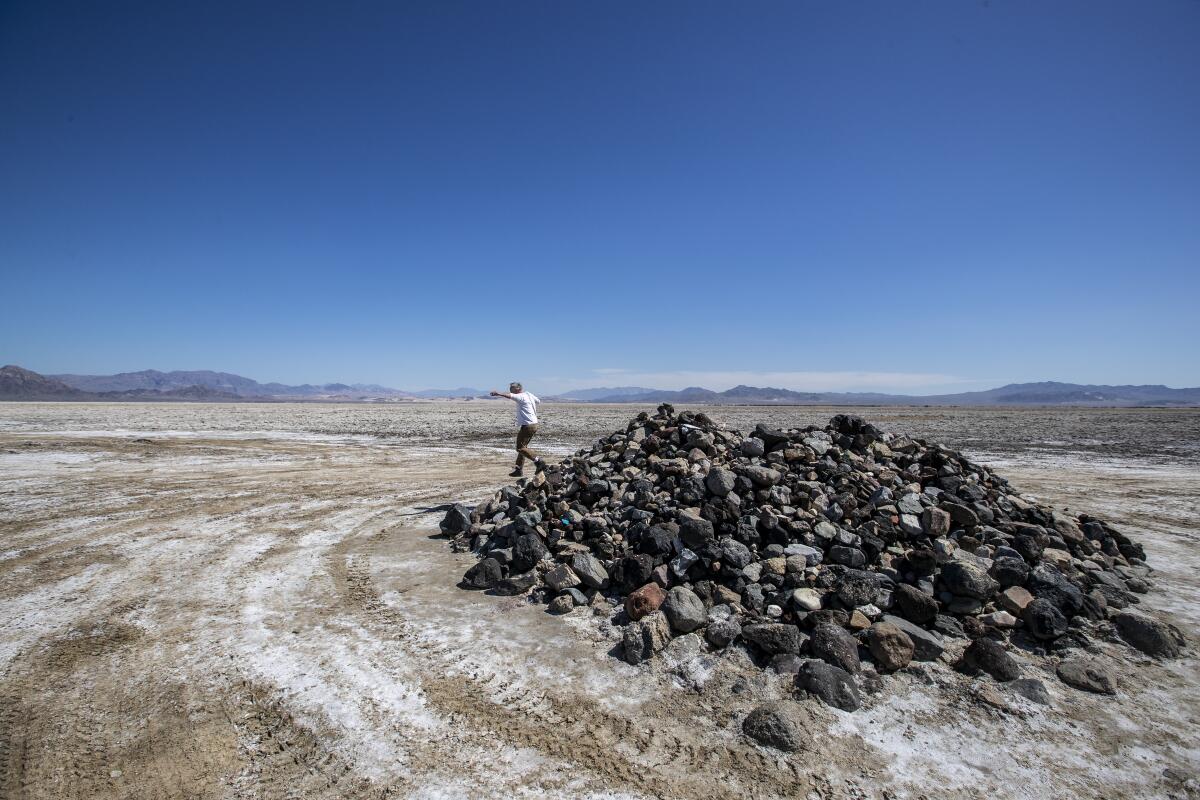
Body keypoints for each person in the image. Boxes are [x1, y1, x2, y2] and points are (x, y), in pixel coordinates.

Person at [490, 382, 545, 477]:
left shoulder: (521, 396)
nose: (510, 390)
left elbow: (510, 396)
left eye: (512, 388)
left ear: (518, 389)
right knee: (523, 448)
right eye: (510, 388)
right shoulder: (528, 394)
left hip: (528, 425)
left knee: (520, 448)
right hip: (533, 424)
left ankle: (539, 461)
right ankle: (518, 470)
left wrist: (498, 394)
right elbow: (538, 401)